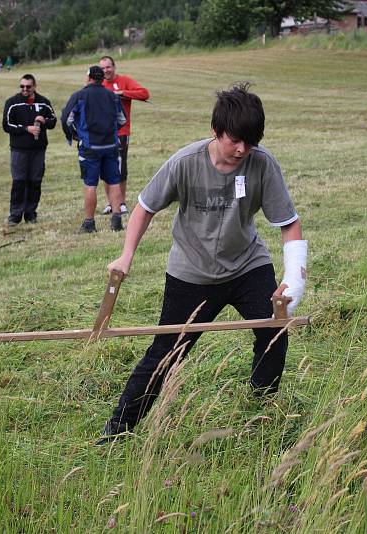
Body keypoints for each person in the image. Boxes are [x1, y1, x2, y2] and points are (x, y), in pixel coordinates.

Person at [98, 83, 307, 443]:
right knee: (167, 352)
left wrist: (294, 279)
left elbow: (289, 223)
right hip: (191, 273)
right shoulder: (185, 163)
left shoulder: (261, 164)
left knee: (274, 330)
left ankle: (261, 407)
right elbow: (145, 207)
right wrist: (127, 253)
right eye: (235, 140)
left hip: (246, 266)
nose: (243, 149)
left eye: (251, 141)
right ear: (216, 131)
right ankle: (117, 430)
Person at [61, 65, 126, 233]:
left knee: (90, 184)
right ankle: (116, 219)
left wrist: (73, 135)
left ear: (89, 77)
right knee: (113, 181)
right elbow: (122, 120)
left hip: (90, 147)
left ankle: (89, 223)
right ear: (102, 78)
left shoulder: (79, 95)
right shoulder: (112, 96)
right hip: (111, 145)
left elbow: (65, 119)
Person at [2, 74, 57, 225]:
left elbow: (53, 121)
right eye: (22, 86)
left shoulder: (44, 103)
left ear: (34, 86)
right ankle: (15, 215)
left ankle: (31, 213)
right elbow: (6, 125)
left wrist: (44, 121)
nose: (25, 89)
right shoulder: (12, 103)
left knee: (35, 181)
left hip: (38, 149)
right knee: (19, 181)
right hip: (19, 149)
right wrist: (27, 129)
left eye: (28, 86)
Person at [99, 55, 150, 216]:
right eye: (103, 68)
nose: (106, 70)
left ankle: (120, 203)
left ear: (114, 67)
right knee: (105, 168)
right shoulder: (98, 84)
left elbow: (144, 93)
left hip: (121, 132)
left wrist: (122, 92)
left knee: (120, 169)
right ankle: (110, 203)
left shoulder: (124, 80)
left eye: (108, 67)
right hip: (102, 134)